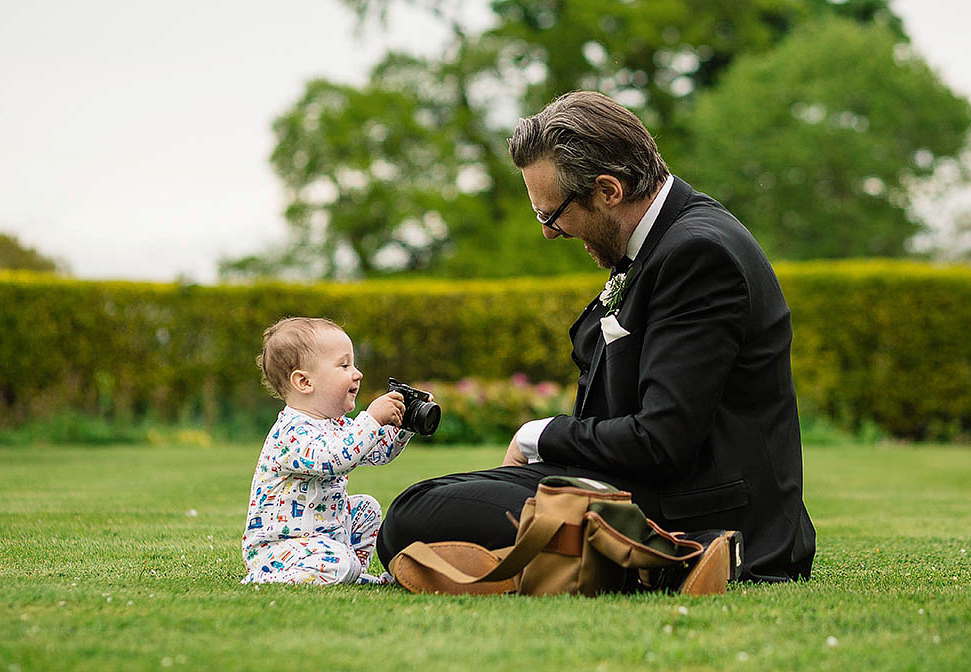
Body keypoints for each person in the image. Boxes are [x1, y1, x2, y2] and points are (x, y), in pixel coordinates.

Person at [378, 90, 815, 583]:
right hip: (642, 487)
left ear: (609, 191)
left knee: (412, 516)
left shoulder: (697, 254)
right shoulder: (662, 243)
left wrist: (537, 435)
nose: (549, 232)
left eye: (552, 214)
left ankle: (670, 561)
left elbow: (662, 441)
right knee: (418, 508)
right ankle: (555, 565)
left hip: (711, 520)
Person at [241, 317, 412, 585]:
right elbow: (335, 458)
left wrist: (404, 425)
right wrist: (372, 419)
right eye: (344, 365)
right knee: (338, 561)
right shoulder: (291, 432)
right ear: (304, 382)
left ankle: (348, 571)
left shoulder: (337, 425)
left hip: (327, 536)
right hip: (282, 548)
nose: (358, 373)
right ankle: (267, 578)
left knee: (367, 508)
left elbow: (377, 453)